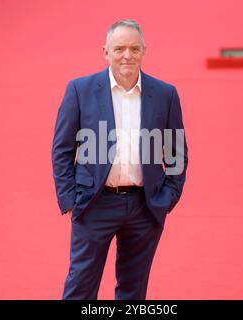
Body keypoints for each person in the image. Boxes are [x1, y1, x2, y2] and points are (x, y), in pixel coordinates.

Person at [51, 19, 188, 300]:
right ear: (105, 51)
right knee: (80, 286)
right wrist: (69, 200)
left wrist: (167, 197)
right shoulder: (80, 90)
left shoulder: (165, 94)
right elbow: (62, 149)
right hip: (94, 203)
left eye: (134, 48)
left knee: (133, 290)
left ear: (144, 51)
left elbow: (175, 151)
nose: (127, 55)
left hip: (145, 206)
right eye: (120, 48)